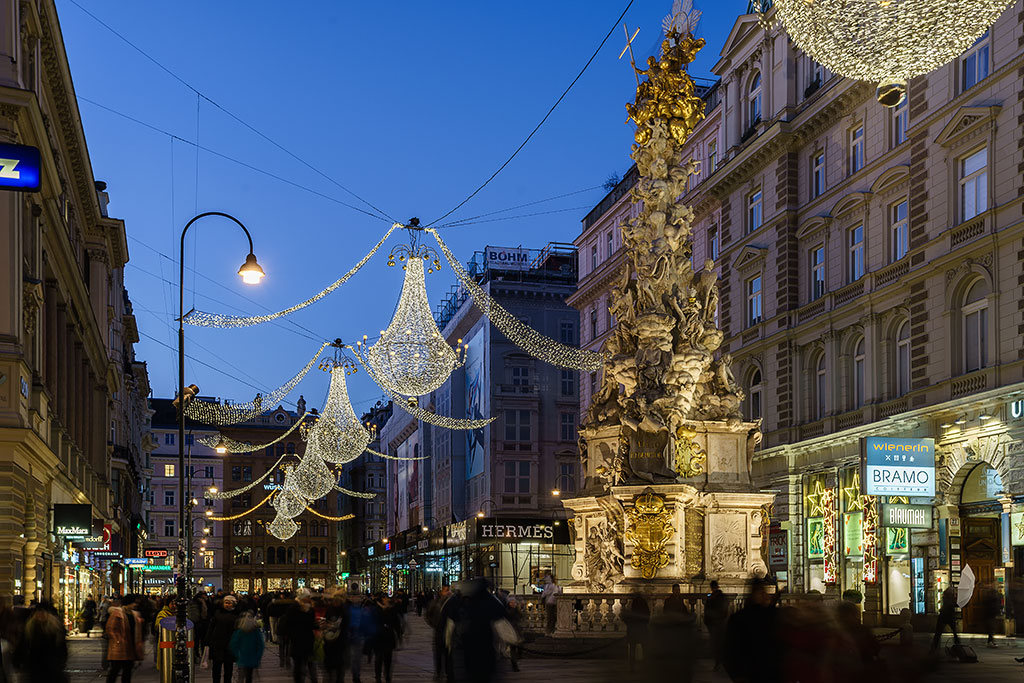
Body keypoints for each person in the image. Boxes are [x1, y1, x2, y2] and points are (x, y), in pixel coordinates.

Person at [725, 579, 781, 683]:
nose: (765, 595)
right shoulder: (771, 616)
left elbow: (729, 649)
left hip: (753, 672)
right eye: (761, 592)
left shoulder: (739, 617)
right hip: (761, 672)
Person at [104, 595, 143, 683]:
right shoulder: (117, 613)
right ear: (128, 603)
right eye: (133, 602)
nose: (135, 605)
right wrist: (118, 640)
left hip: (131, 647)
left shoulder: (135, 615)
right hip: (119, 648)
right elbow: (110, 628)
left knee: (127, 672)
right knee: (114, 671)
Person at [284, 589, 318, 683]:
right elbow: (289, 624)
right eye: (308, 597)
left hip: (302, 640)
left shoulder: (300, 609)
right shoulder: (300, 609)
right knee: (301, 665)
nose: (309, 599)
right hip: (300, 640)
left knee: (303, 664)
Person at [205, 594, 240, 683]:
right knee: (216, 668)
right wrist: (207, 640)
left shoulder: (236, 615)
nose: (228, 605)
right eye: (226, 603)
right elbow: (211, 627)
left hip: (230, 644)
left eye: (230, 603)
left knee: (228, 668)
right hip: (217, 644)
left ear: (234, 604)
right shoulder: (217, 613)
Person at [426, 585, 455, 682]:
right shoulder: (435, 603)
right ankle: (439, 673)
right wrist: (434, 624)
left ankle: (448, 673)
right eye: (445, 590)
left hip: (449, 631)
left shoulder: (452, 602)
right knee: (438, 654)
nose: (447, 592)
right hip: (439, 630)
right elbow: (428, 615)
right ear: (441, 592)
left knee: (448, 654)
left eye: (448, 590)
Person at [369, 593, 400, 683]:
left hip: (388, 638)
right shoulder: (376, 610)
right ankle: (378, 677)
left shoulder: (391, 609)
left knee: (388, 659)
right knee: (378, 658)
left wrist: (398, 633)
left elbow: (396, 623)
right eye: (386, 598)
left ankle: (387, 676)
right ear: (382, 599)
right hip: (378, 638)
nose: (387, 599)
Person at [230, 611, 266, 683]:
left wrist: (236, 654)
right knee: (249, 676)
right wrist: (258, 656)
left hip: (242, 657)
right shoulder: (256, 631)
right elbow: (260, 645)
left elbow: (233, 644)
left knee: (241, 676)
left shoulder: (239, 632)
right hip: (252, 657)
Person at [704, 580, 729, 671]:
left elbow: (707, 610)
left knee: (717, 644)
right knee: (720, 643)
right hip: (720, 623)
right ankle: (720, 662)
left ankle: (719, 662)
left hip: (715, 623)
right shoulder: (722, 597)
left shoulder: (712, 598)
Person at [620, 595, 650, 672]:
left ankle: (632, 666)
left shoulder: (632, 608)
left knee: (632, 650)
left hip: (633, 631)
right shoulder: (643, 609)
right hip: (642, 630)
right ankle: (645, 665)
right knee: (644, 649)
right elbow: (647, 618)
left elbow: (626, 619)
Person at [930, 585, 959, 650]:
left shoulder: (945, 597)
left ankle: (933, 648)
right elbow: (952, 605)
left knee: (938, 633)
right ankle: (958, 646)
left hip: (943, 615)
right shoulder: (950, 598)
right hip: (949, 616)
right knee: (954, 633)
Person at [981, 582, 1001, 648]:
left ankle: (990, 641)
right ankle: (990, 642)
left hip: (991, 613)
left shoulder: (992, 593)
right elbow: (991, 603)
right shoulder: (992, 594)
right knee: (991, 628)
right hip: (990, 613)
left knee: (991, 628)